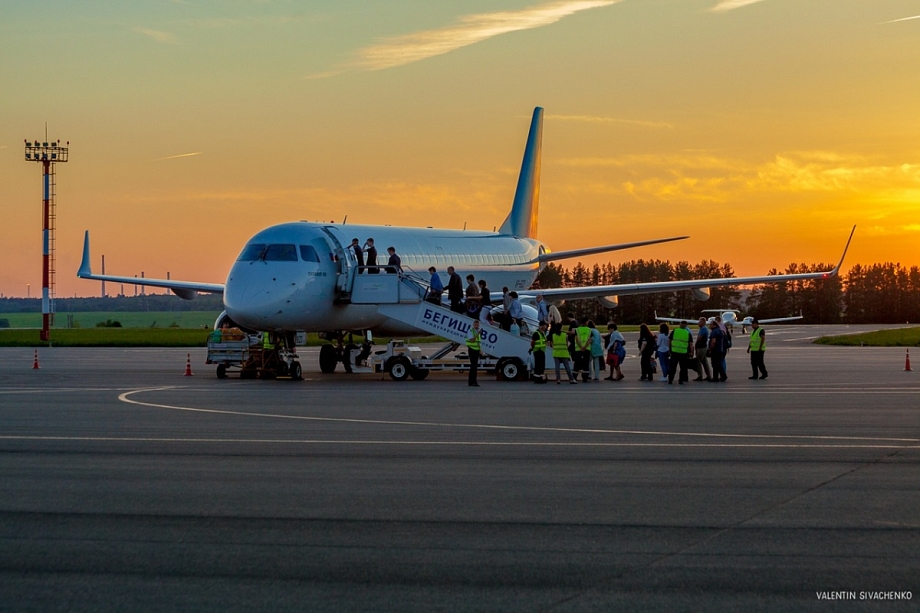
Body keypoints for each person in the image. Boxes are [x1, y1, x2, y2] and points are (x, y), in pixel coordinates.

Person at [667, 320, 693, 385]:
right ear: (686, 326)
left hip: (674, 352)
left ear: (680, 324)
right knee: (683, 368)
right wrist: (691, 352)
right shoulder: (687, 333)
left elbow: (669, 341)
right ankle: (681, 380)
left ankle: (670, 379)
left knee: (672, 367)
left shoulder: (675, 331)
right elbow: (690, 344)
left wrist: (669, 349)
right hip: (683, 353)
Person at [693, 317, 712, 382]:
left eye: (699, 322)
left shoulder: (703, 329)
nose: (698, 323)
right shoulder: (703, 329)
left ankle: (700, 376)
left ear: (703, 323)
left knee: (698, 362)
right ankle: (708, 376)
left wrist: (696, 345)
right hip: (703, 347)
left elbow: (699, 338)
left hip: (701, 347)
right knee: (704, 362)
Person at [466, 319, 482, 387]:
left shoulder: (477, 331)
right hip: (472, 349)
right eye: (475, 325)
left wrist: (480, 350)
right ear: (473, 325)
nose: (477, 326)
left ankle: (474, 381)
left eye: (478, 325)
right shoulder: (470, 331)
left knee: (475, 367)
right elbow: (472, 340)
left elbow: (478, 342)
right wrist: (477, 334)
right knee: (473, 366)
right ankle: (471, 382)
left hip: (476, 350)